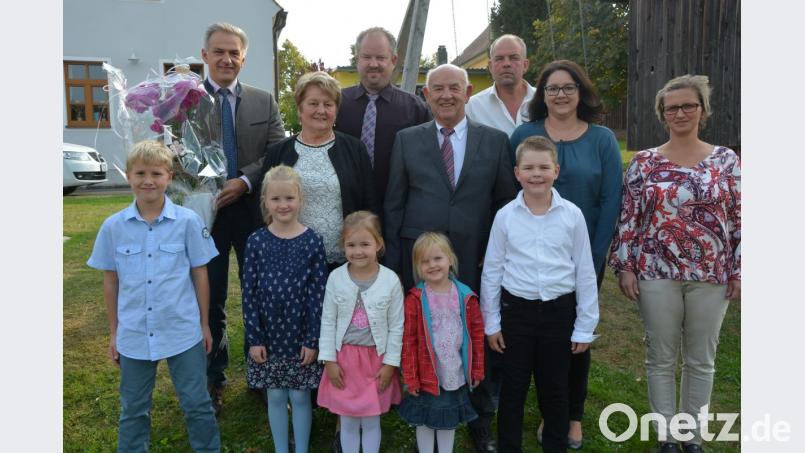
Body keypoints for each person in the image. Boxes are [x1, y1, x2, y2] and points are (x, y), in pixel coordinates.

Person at [384, 64, 516, 452]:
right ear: (426, 95)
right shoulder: (407, 140)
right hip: (421, 260)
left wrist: (494, 253)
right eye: (437, 89)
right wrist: (396, 262)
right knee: (425, 335)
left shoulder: (494, 141)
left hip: (474, 258)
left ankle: (480, 419)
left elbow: (504, 202)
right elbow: (394, 203)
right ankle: (427, 411)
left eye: (454, 88)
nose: (446, 95)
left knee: (474, 336)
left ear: (468, 92)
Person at [609, 75, 740, 453]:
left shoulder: (726, 160)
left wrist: (739, 269)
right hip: (655, 272)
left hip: (711, 274)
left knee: (701, 360)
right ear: (662, 114)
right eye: (672, 108)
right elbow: (629, 217)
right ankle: (667, 437)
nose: (680, 113)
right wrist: (626, 266)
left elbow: (741, 217)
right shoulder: (644, 162)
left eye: (688, 106)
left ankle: (691, 437)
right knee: (661, 358)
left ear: (702, 110)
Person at [509, 59, 622, 448]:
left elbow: (610, 200)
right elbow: (510, 193)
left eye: (568, 87)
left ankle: (570, 415)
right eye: (552, 88)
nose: (560, 94)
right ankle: (547, 409)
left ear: (580, 92)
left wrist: (594, 255)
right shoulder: (524, 134)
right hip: (532, 260)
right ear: (542, 94)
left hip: (585, 257)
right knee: (539, 336)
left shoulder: (602, 139)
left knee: (576, 335)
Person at [87, 140, 221, 452]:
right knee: (133, 409)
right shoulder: (113, 227)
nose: (148, 180)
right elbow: (111, 281)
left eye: (156, 173)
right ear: (128, 176)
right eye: (140, 173)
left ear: (169, 177)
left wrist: (203, 324)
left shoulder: (188, 221)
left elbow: (200, 274)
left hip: (182, 329)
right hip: (134, 333)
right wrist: (114, 332)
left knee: (197, 404)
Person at [480, 136, 599, 453]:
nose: (536, 174)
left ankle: (555, 445)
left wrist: (584, 326)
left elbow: (585, 272)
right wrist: (492, 323)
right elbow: (492, 271)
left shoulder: (572, 215)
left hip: (559, 315)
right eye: (529, 167)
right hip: (516, 314)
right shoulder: (506, 216)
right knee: (513, 389)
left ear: (556, 171)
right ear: (517, 172)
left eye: (544, 167)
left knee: (555, 389)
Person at [200, 21, 286, 413]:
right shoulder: (185, 101)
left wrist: (245, 181)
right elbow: (171, 151)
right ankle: (214, 379)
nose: (226, 59)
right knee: (210, 299)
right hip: (207, 217)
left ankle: (261, 375)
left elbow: (276, 150)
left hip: (254, 213)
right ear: (205, 55)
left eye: (234, 53)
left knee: (259, 297)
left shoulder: (263, 101)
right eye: (219, 51)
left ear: (243, 59)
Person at [241, 165, 328, 453]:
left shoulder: (313, 242)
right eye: (276, 199)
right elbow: (249, 294)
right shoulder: (256, 242)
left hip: (300, 336)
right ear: (265, 201)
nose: (283, 205)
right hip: (268, 337)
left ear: (300, 199)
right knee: (276, 396)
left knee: (301, 397)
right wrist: (255, 339)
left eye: (289, 198)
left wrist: (312, 340)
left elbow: (318, 296)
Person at [260, 71, 378, 272]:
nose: (321, 110)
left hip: (345, 262)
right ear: (300, 108)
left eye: (328, 104)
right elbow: (263, 206)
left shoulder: (355, 149)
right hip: (290, 260)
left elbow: (370, 203)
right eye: (313, 103)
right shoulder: (278, 152)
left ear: (336, 110)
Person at [317, 211, 404, 453]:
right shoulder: (336, 278)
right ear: (343, 246)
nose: (358, 251)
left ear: (379, 244)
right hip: (344, 361)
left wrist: (390, 364)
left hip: (376, 362)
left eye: (365, 244)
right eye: (351, 245)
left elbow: (397, 326)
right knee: (348, 420)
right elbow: (328, 321)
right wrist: (329, 361)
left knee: (371, 420)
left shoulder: (390, 281)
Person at [398, 232, 485, 453]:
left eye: (438, 258)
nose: (432, 265)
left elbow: (476, 336)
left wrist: (476, 369)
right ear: (417, 267)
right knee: (424, 420)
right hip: (426, 374)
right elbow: (408, 341)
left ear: (450, 260)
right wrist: (410, 377)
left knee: (448, 420)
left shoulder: (466, 296)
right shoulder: (415, 299)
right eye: (425, 261)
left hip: (454, 372)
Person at [335, 27, 432, 207]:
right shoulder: (336, 103)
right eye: (366, 57)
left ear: (393, 60)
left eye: (380, 57)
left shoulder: (415, 108)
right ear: (357, 60)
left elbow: (430, 162)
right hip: (345, 206)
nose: (373, 64)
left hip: (399, 208)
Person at [466, 34, 535, 136]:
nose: (506, 64)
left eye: (513, 58)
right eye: (499, 59)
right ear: (490, 66)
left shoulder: (544, 100)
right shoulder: (472, 107)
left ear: (525, 65)